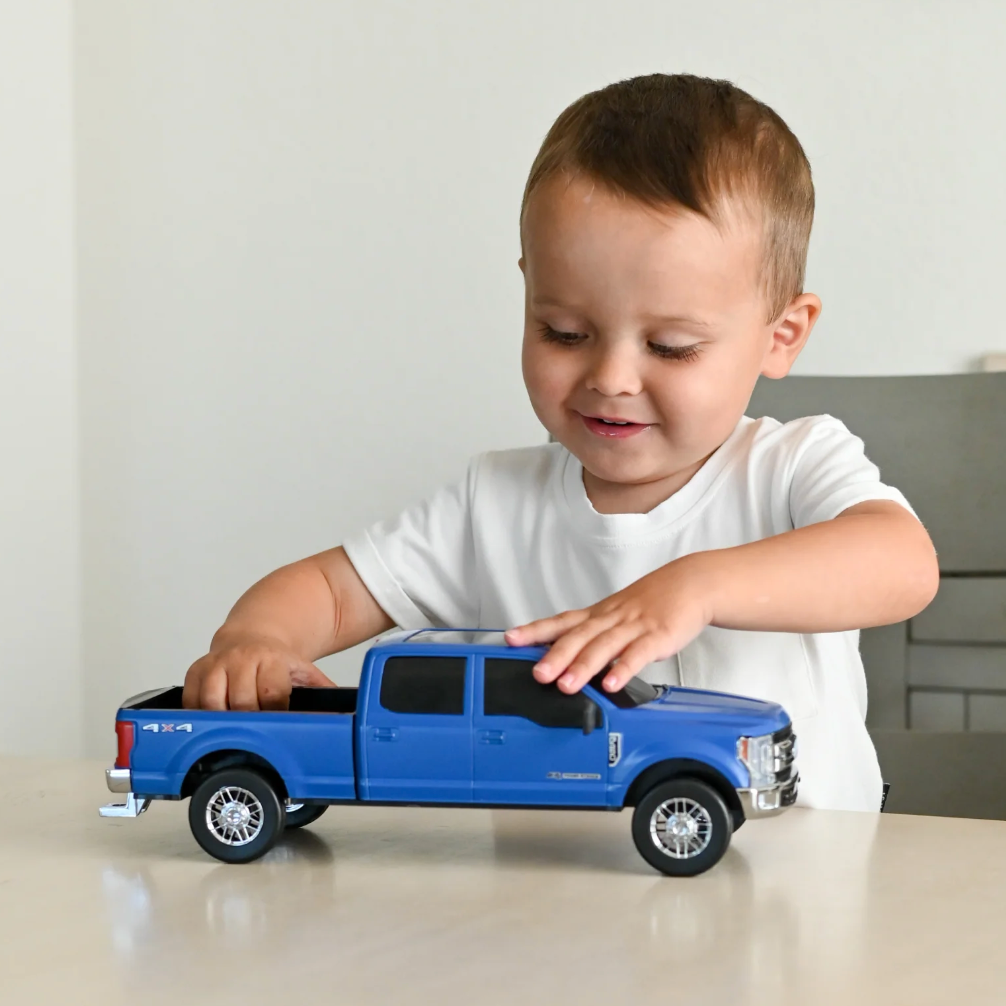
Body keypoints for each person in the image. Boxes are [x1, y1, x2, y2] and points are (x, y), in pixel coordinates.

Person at [182, 73, 939, 812]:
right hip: (555, 912)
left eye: (671, 346)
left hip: (803, 903)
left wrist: (697, 586)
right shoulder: (494, 504)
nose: (610, 377)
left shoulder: (790, 467)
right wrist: (256, 636)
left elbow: (902, 564)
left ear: (781, 336)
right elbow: (334, 590)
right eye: (564, 332)